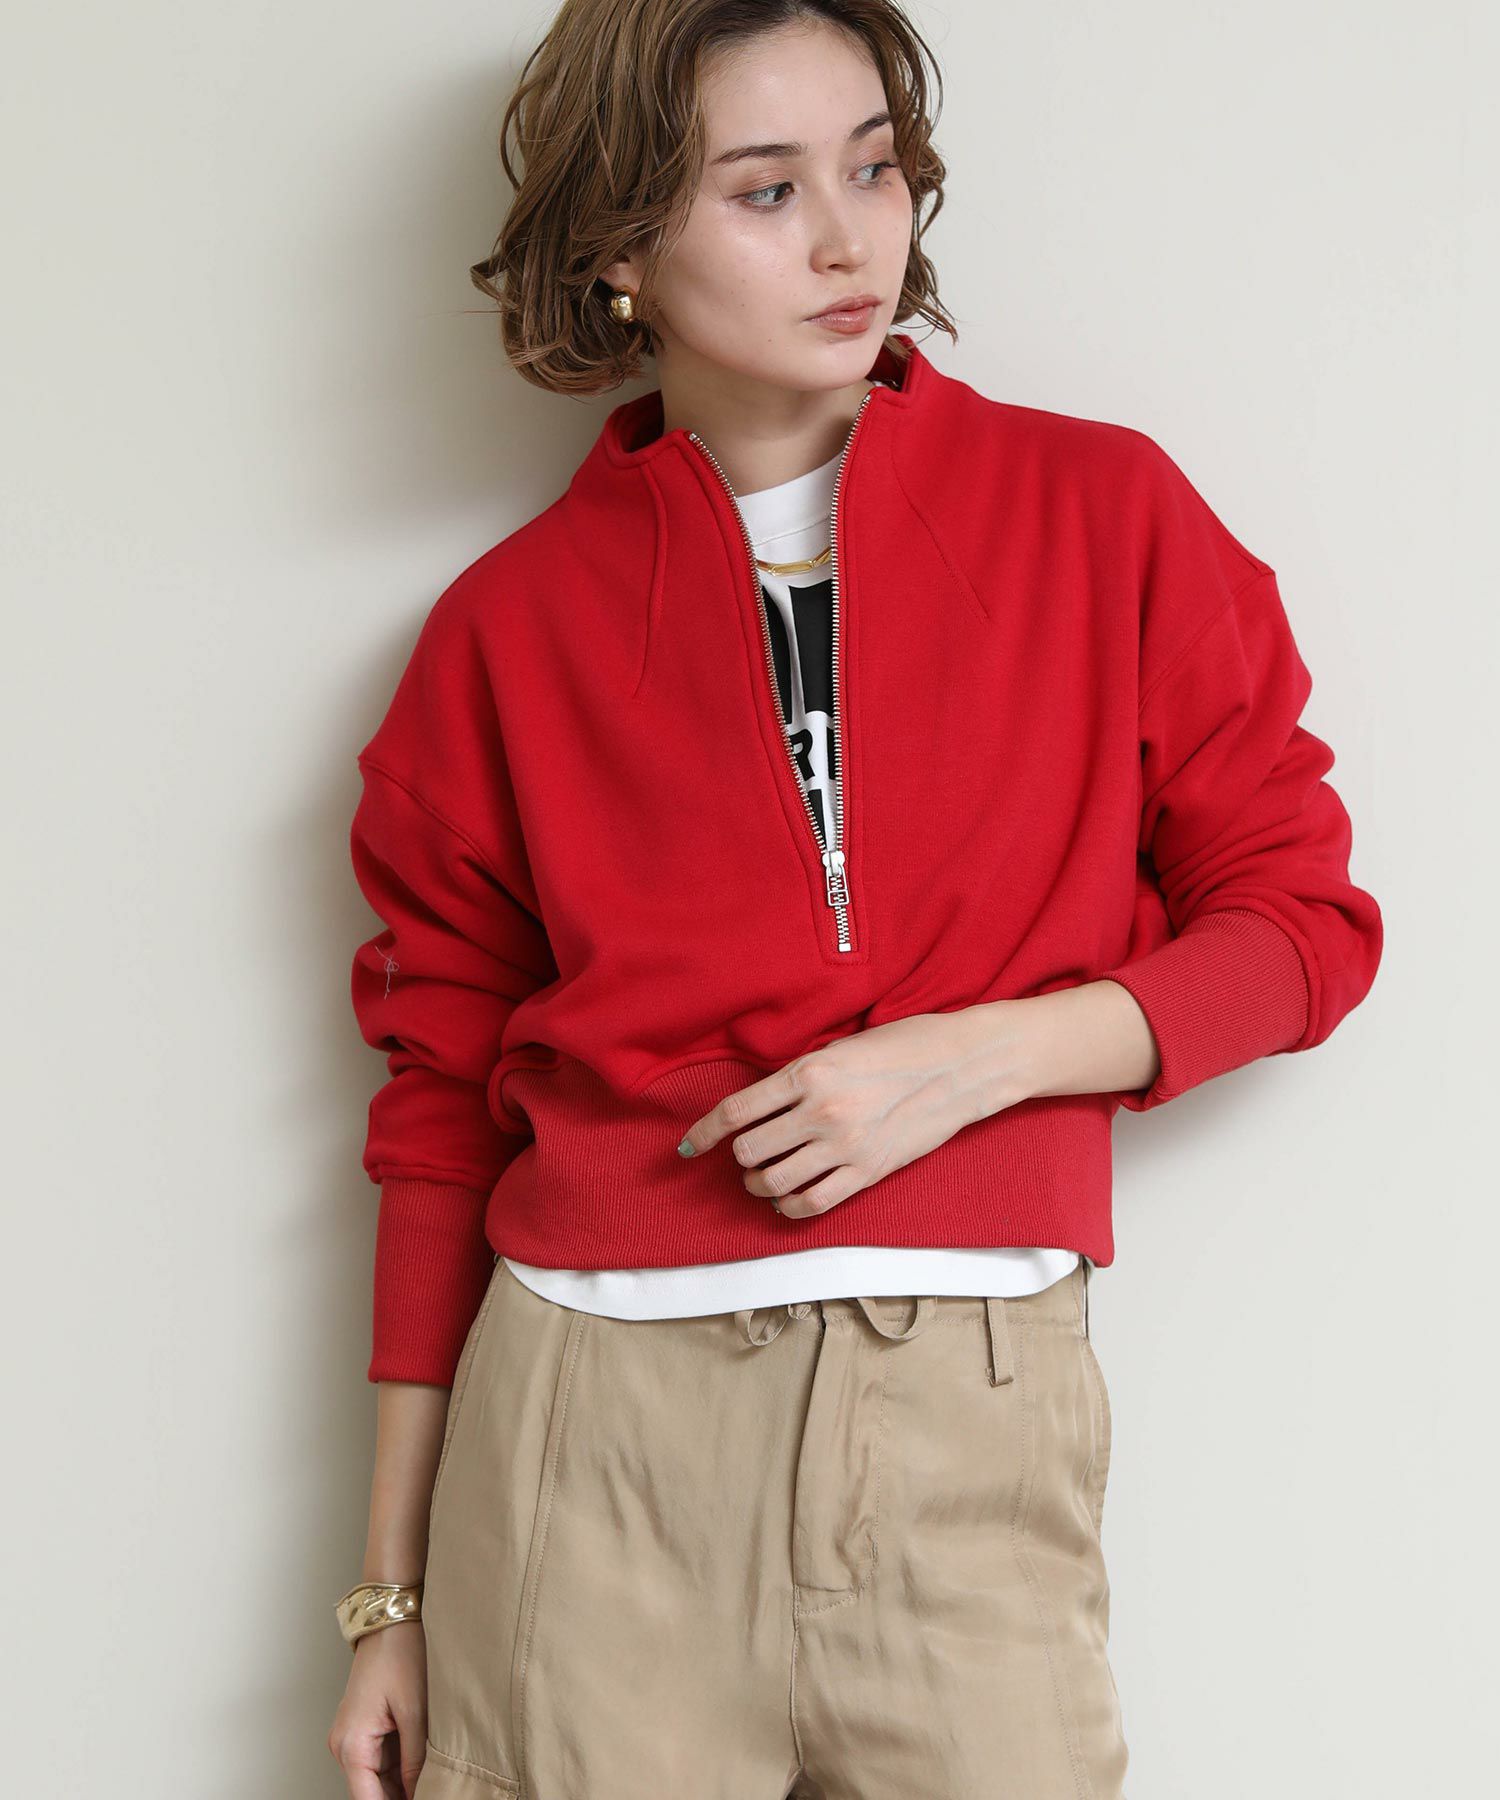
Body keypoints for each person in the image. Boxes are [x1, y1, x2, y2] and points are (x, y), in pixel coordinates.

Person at [327, 2, 1383, 1795]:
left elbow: (1302, 931)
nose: (848, 237)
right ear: (620, 253)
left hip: (972, 1416)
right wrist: (389, 1597)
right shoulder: (504, 632)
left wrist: (977, 1062)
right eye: (766, 190)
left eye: (875, 167)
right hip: (590, 1450)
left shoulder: (1103, 516)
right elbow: (437, 1116)